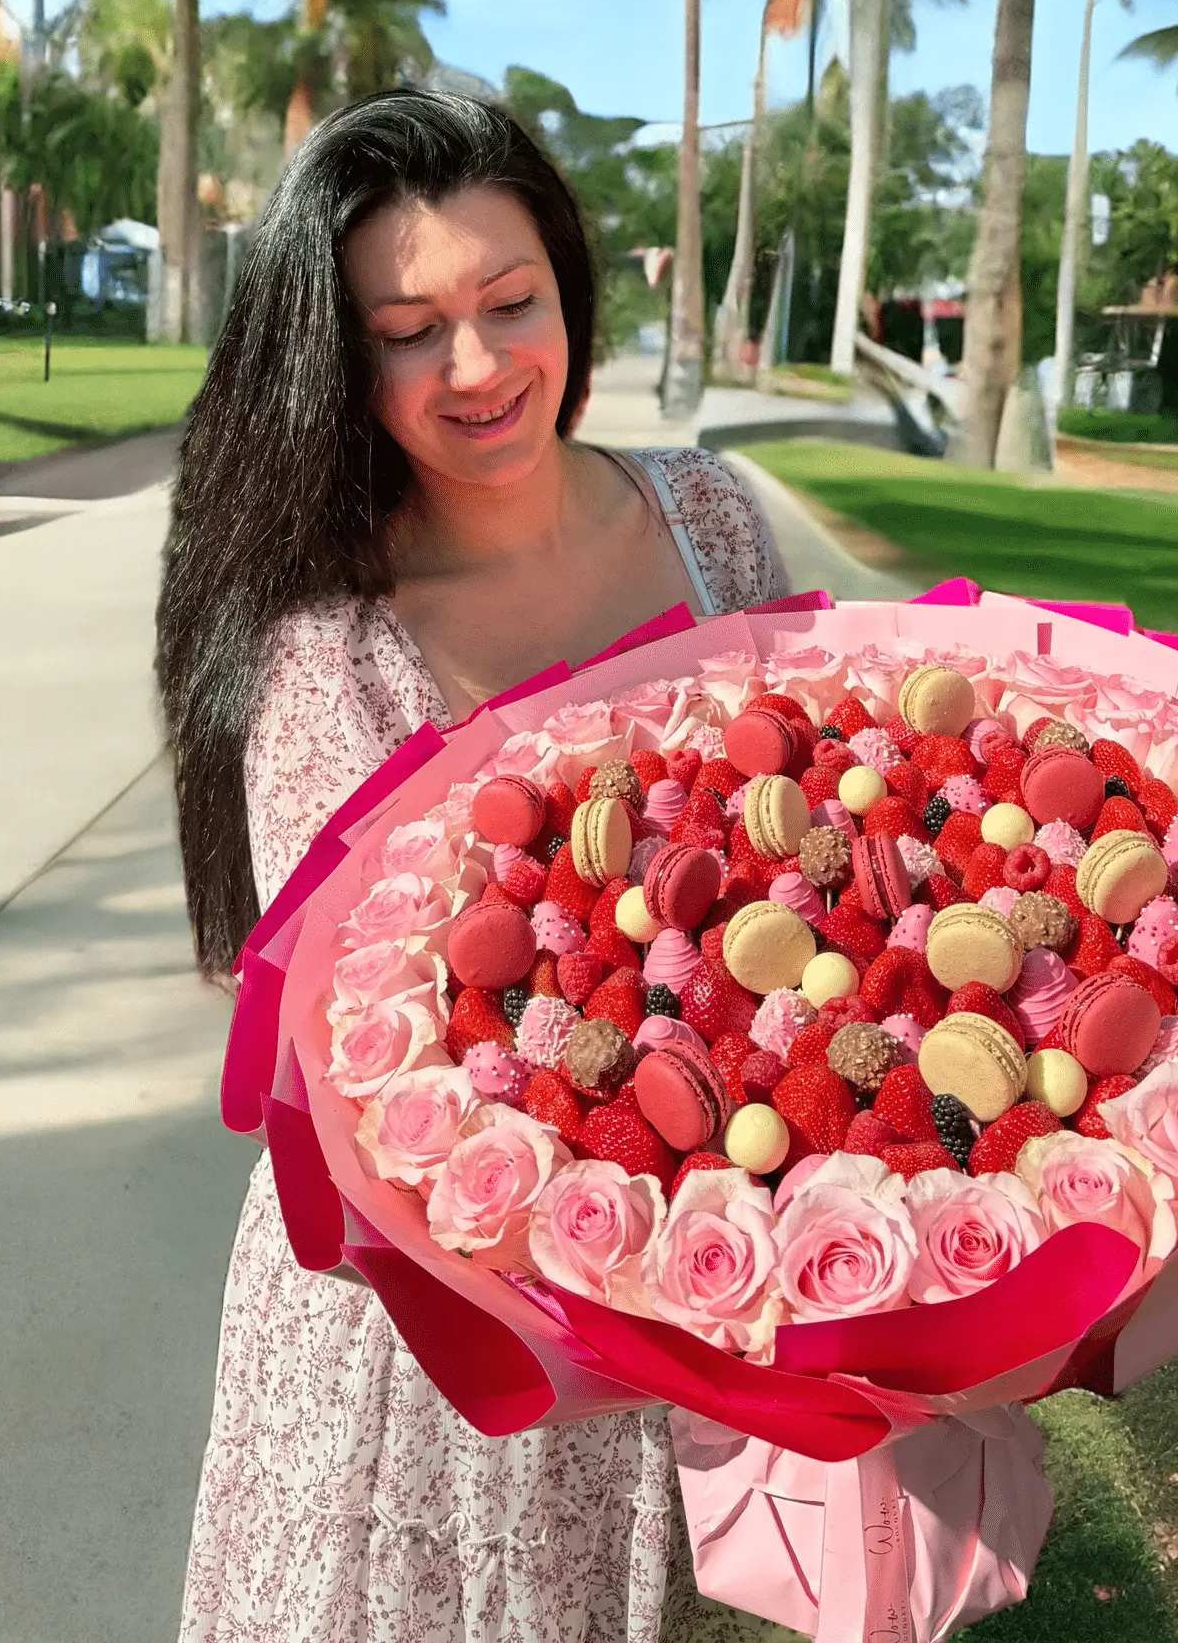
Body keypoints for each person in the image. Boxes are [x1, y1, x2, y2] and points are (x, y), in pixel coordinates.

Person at [158, 91, 785, 1642]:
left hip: (728, 1238)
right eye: (406, 330)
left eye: (512, 304)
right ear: (338, 358)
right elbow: (374, 1063)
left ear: (568, 288)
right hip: (447, 1312)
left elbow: (823, 830)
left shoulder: (708, 517)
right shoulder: (326, 644)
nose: (480, 365)